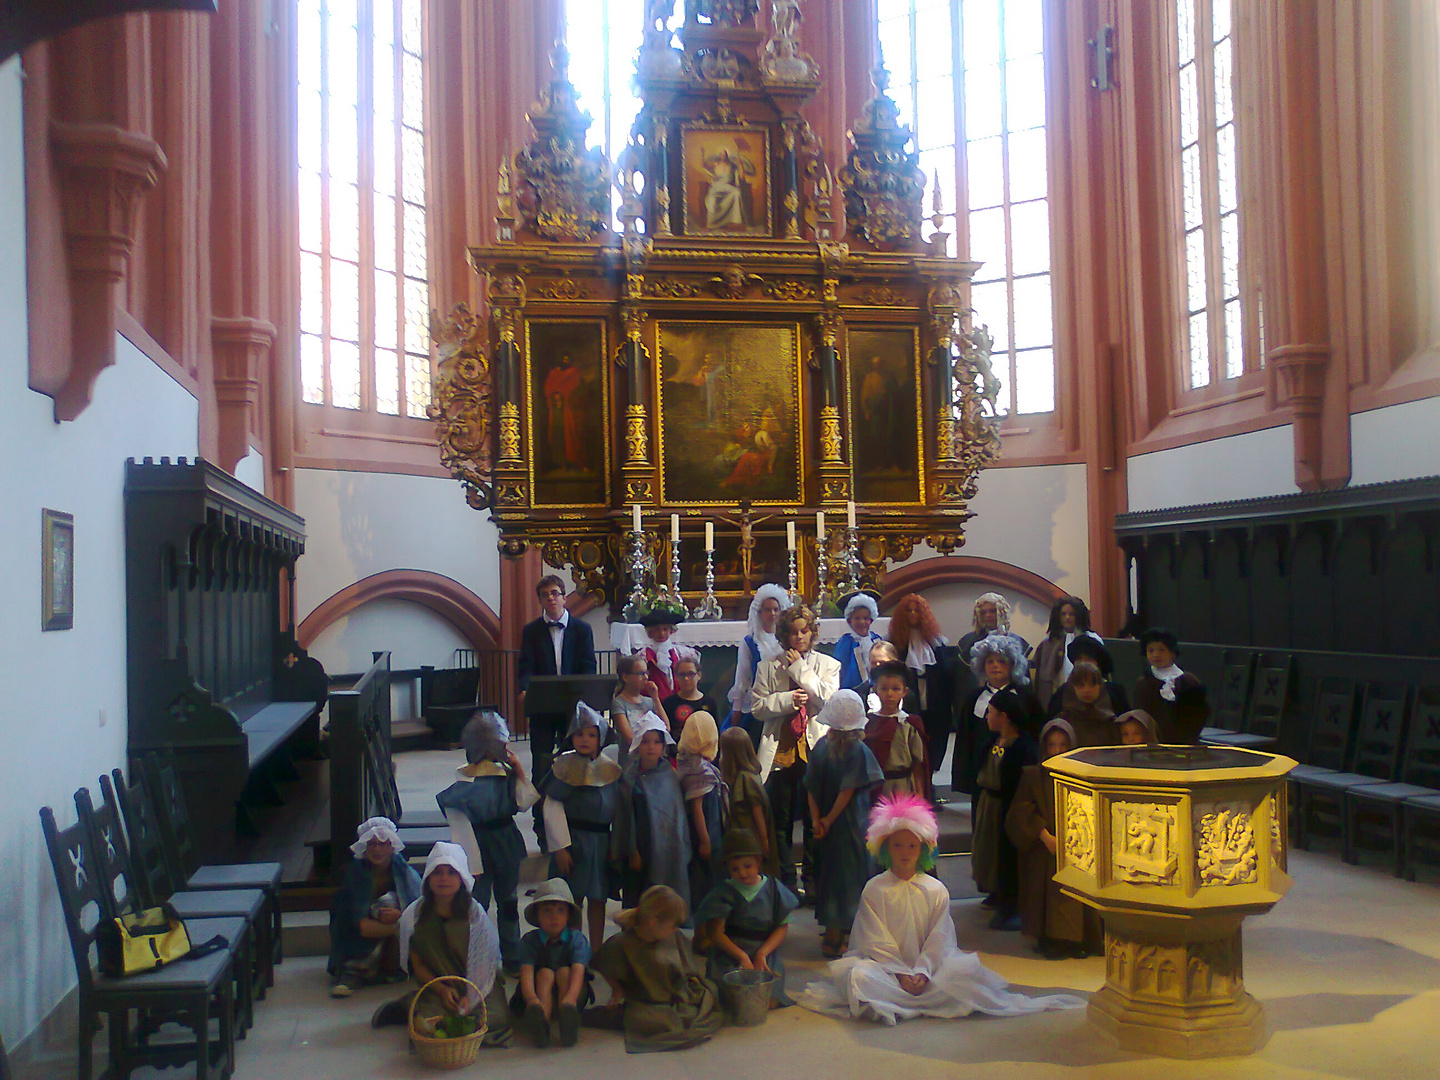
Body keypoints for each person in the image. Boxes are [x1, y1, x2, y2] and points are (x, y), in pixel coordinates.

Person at [797, 794, 1086, 1024]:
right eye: (897, 846)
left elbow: (940, 938)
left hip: (929, 970)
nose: (905, 853)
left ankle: (906, 999)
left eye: (912, 846)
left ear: (924, 850)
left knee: (963, 974)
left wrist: (922, 971)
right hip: (887, 971)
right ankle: (903, 995)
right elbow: (874, 939)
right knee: (859, 977)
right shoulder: (875, 888)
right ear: (886, 849)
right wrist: (899, 972)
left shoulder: (935, 890)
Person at [372, 843, 512, 1047]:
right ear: (428, 877)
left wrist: (471, 996)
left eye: (451, 873)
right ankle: (411, 1005)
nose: (444, 879)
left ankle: (415, 1004)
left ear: (461, 878)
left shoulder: (475, 915)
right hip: (438, 984)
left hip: (478, 984)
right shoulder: (415, 916)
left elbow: (486, 962)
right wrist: (442, 990)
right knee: (431, 1025)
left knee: (497, 1020)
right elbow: (418, 964)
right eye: (437, 872)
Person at [435, 711, 538, 971]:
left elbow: (525, 802)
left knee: (509, 900)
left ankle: (512, 954)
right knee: (477, 905)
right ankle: (477, 955)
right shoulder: (462, 787)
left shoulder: (506, 776)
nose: (507, 748)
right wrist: (470, 864)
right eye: (502, 743)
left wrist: (519, 772)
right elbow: (460, 831)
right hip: (478, 845)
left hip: (505, 841)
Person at [753, 603, 839, 900]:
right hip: (782, 753)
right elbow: (757, 707)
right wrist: (788, 699)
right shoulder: (767, 666)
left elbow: (827, 700)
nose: (799, 637)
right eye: (793, 632)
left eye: (805, 631)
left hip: (815, 751)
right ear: (784, 634)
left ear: (813, 633)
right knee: (781, 820)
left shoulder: (829, 665)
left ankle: (812, 878)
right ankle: (787, 880)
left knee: (816, 818)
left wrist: (800, 670)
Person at [1006, 719, 1101, 959]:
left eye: (1063, 745)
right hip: (1044, 848)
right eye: (1052, 745)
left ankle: (1077, 939)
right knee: (1046, 893)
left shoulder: (1083, 775)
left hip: (1078, 847)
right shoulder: (1033, 776)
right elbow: (1020, 811)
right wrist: (1043, 834)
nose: (1057, 751)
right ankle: (1049, 938)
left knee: (1075, 894)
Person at [591, 885, 725, 1053]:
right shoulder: (622, 942)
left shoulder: (672, 936)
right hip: (644, 1002)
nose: (675, 929)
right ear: (654, 923)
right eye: (672, 925)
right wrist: (617, 990)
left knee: (708, 996)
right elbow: (604, 964)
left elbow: (686, 969)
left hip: (672, 995)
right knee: (659, 1022)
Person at [518, 575, 597, 849]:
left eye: (555, 593)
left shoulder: (582, 629)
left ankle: (573, 824)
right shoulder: (531, 631)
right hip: (542, 707)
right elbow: (525, 667)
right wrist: (525, 689)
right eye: (545, 595)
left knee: (574, 761)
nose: (551, 598)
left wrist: (583, 696)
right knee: (541, 766)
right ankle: (542, 832)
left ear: (564, 596)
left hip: (571, 708)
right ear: (540, 600)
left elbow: (588, 666)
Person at [805, 689, 884, 958]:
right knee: (852, 879)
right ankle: (847, 936)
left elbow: (811, 788)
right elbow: (848, 791)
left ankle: (831, 934)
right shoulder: (858, 750)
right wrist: (829, 819)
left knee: (829, 878)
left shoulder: (820, 748)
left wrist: (817, 820)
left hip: (826, 831)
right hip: (851, 828)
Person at [541, 702, 621, 951]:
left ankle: (595, 950)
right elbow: (552, 807)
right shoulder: (564, 766)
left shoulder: (611, 768)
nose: (585, 739)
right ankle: (572, 950)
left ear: (600, 737)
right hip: (574, 843)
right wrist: (560, 847)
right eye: (579, 734)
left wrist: (616, 845)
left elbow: (618, 809)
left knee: (598, 899)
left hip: (601, 842)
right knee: (571, 900)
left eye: (591, 734)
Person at [692, 830, 798, 1008]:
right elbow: (716, 934)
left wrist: (762, 953)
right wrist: (741, 956)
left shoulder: (773, 888)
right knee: (726, 993)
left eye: (747, 866)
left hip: (763, 950)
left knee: (768, 994)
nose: (742, 873)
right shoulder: (724, 892)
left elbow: (782, 928)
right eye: (735, 868)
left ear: (758, 861)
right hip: (731, 951)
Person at [328, 817, 422, 998]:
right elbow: (360, 923)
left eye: (382, 844)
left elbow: (416, 905)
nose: (377, 849)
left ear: (391, 846)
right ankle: (353, 970)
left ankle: (391, 968)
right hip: (361, 932)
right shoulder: (356, 875)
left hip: (390, 927)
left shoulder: (402, 871)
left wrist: (400, 915)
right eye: (372, 844)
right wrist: (399, 927)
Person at [970, 689, 1038, 931]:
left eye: (991, 712)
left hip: (1006, 806)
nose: (987, 716)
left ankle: (1012, 903)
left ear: (1005, 716)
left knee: (1006, 854)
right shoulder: (992, 742)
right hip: (989, 804)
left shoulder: (1023, 747)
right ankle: (995, 890)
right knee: (987, 849)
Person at [612, 713, 692, 909]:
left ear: (663, 746)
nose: (651, 746)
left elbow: (676, 817)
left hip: (666, 847)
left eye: (656, 742)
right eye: (646, 741)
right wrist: (631, 850)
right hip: (639, 845)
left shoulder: (670, 776)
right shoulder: (629, 777)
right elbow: (624, 817)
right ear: (638, 743)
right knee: (638, 895)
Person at [953, 632, 1040, 798]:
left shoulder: (1025, 697)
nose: (995, 666)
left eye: (1001, 662)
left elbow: (1034, 733)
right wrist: (964, 776)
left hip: (1016, 770)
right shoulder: (974, 697)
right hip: (983, 771)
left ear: (1013, 665)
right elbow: (965, 738)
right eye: (990, 661)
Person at [887, 595, 956, 798]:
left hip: (935, 700)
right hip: (909, 700)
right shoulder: (896, 644)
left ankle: (931, 782)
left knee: (935, 740)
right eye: (908, 610)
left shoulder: (936, 643)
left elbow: (946, 675)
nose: (913, 615)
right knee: (913, 740)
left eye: (917, 610)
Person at [516, 878, 591, 1048]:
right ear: (537, 915)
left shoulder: (577, 940)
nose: (554, 917)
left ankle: (568, 1022)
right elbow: (526, 975)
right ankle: (542, 1022)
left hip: (571, 992)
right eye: (547, 911)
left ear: (568, 915)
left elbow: (578, 973)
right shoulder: (529, 940)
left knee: (565, 971)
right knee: (545, 973)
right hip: (539, 993)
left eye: (560, 911)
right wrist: (532, 1000)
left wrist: (571, 1000)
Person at [726, 583, 791, 748]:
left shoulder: (788, 639)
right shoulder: (750, 642)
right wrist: (737, 708)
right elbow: (743, 677)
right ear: (759, 613)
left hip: (783, 702)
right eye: (767, 610)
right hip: (758, 703)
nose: (772, 613)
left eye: (776, 609)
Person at [717, 726, 783, 880]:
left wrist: (764, 840)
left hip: (752, 838)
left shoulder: (746, 779)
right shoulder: (746, 776)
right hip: (746, 838)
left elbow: (757, 810)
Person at [676, 711, 726, 909]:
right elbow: (697, 807)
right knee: (708, 881)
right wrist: (706, 841)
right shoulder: (700, 770)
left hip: (700, 831)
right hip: (706, 833)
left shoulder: (686, 761)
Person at [864, 661, 931, 799]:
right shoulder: (868, 722)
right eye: (884, 688)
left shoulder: (909, 723)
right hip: (876, 786)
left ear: (904, 691)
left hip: (903, 785)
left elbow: (918, 762)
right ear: (876, 689)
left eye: (895, 689)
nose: (889, 694)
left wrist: (919, 791)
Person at [1131, 628, 1209, 744]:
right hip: (1152, 744)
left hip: (1186, 742)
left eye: (1162, 650)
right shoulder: (1143, 684)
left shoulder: (1189, 681)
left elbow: (1200, 714)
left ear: (1172, 653)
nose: (1156, 655)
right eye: (1150, 651)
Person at [1030, 596, 1104, 712]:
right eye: (1063, 614)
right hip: (1056, 693)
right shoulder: (1048, 642)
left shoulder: (1091, 639)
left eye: (1072, 614)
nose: (1067, 618)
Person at [1048, 636, 1129, 718]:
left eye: (1088, 659)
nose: (1083, 663)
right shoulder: (1061, 693)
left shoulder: (1115, 692)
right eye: (1079, 659)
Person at [611, 653, 669, 765]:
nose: (646, 677)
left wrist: (656, 699)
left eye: (646, 673)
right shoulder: (619, 703)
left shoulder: (649, 701)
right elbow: (629, 737)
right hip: (630, 763)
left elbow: (666, 727)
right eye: (641, 674)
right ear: (625, 677)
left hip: (651, 762)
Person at [1049, 661, 1117, 747]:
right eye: (1081, 685)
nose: (1087, 690)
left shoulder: (1109, 722)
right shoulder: (1062, 722)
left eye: (1092, 684)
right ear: (1072, 687)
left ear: (1100, 686)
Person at [638, 611, 699, 702]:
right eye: (657, 629)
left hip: (679, 700)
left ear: (671, 631)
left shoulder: (681, 653)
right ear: (650, 632)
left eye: (665, 629)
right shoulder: (643, 655)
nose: (661, 633)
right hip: (653, 702)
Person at [956, 592, 1031, 664]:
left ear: (1002, 613)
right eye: (983, 612)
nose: (988, 615)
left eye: (993, 611)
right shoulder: (968, 641)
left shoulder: (1016, 641)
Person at [661, 655, 719, 745]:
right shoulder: (669, 703)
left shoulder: (709, 703)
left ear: (699, 675)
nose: (686, 678)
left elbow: (716, 733)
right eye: (682, 675)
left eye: (691, 674)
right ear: (676, 677)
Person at [833, 593, 883, 690]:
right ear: (849, 621)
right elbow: (840, 666)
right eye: (857, 618)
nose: (862, 622)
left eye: (865, 618)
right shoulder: (846, 642)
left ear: (871, 620)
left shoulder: (876, 640)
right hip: (853, 689)